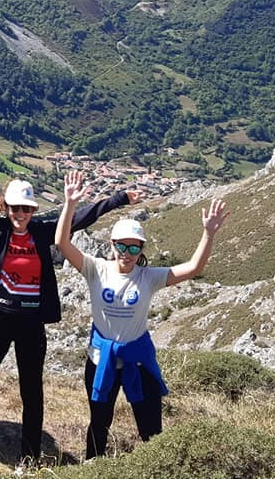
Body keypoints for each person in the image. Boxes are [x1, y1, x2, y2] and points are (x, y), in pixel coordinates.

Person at [0, 123, 139, 464]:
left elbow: (82, 218)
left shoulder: (42, 232)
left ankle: (29, 455)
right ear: (5, 208)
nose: (20, 215)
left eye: (26, 209)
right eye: (14, 209)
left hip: (30, 324)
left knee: (31, 392)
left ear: (34, 211)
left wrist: (119, 199)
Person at [55, 171, 228, 460]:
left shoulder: (149, 277)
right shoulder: (95, 268)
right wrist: (70, 203)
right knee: (99, 424)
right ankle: (93, 468)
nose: (127, 252)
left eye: (133, 247)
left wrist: (208, 233)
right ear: (111, 245)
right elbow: (62, 243)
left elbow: (194, 268)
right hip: (101, 360)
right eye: (121, 245)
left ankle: (154, 468)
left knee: (151, 430)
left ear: (141, 249)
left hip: (138, 360)